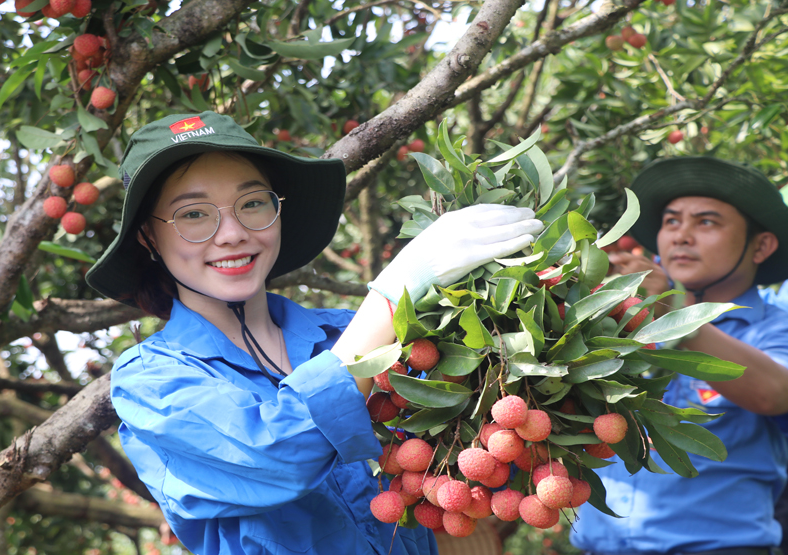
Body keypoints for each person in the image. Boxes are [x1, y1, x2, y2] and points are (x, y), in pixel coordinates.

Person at [85, 111, 544, 555]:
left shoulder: (348, 330)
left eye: (252, 203)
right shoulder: (150, 380)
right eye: (193, 214)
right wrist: (394, 292)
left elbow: (473, 416)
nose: (231, 233)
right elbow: (279, 456)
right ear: (147, 236)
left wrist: (525, 312)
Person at [570, 156, 788, 555]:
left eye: (706, 222)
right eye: (671, 221)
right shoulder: (613, 326)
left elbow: (773, 392)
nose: (681, 236)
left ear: (761, 246)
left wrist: (673, 316)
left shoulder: (775, 329)